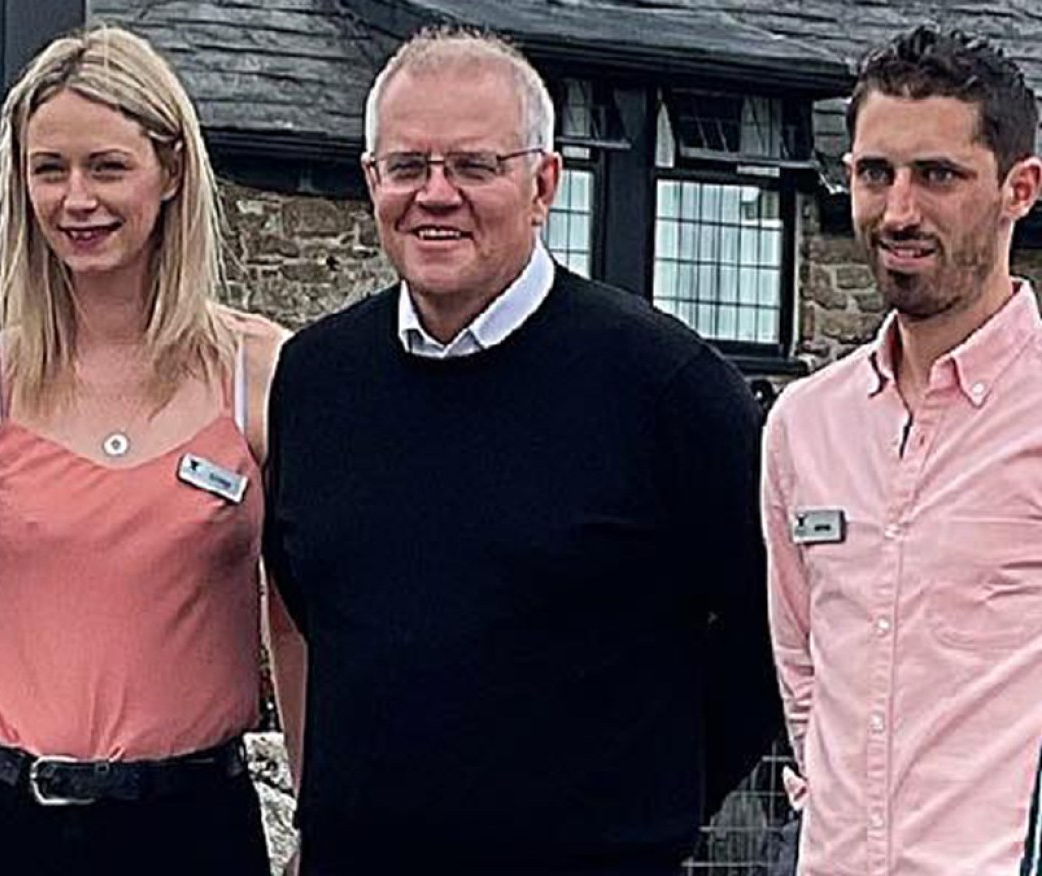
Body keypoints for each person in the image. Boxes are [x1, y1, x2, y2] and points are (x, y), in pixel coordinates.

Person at [264, 26, 779, 875]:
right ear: (370, 182)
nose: (436, 194)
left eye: (473, 166)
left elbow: (768, 628)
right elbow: (307, 604)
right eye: (407, 167)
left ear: (543, 184)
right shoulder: (316, 377)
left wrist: (650, 809)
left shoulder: (664, 384)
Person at [0, 26, 284, 875]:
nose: (77, 199)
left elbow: (293, 625)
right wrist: (32, 742)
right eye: (50, 169)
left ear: (172, 170)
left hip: (195, 830)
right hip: (1, 828)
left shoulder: (259, 375)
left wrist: (323, 802)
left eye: (107, 167)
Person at [762, 25, 1042, 876]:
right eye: (873, 173)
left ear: (1018, 189)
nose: (899, 212)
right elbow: (803, 673)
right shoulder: (804, 425)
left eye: (938, 176)